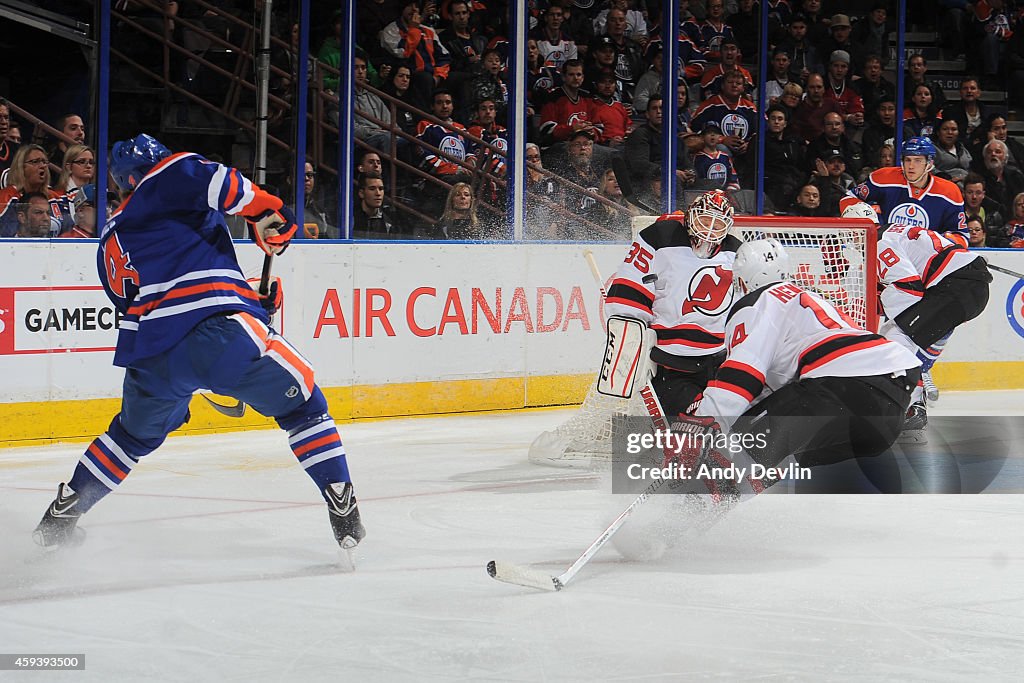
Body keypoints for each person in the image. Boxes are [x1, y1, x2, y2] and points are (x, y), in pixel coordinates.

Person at [32, 134, 365, 552]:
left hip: (152, 355)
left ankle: (61, 516)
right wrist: (269, 213)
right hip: (216, 333)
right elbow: (226, 186)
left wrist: (247, 296)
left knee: (129, 439)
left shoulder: (109, 237)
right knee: (305, 409)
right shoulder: (169, 173)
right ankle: (341, 502)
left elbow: (154, 295)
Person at [690, 238, 920, 477]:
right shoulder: (808, 298)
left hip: (842, 386)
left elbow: (741, 376)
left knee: (742, 442)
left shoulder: (756, 302)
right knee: (777, 454)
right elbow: (768, 395)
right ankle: (719, 499)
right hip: (891, 406)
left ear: (745, 278)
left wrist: (702, 422)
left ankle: (691, 508)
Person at [843, 201, 991, 442]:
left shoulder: (879, 242)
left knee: (894, 339)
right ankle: (914, 401)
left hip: (956, 287)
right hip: (964, 286)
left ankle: (904, 405)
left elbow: (909, 288)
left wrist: (881, 308)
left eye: (849, 232)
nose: (849, 239)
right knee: (905, 335)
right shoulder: (892, 233)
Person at [603, 190, 740, 417]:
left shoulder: (736, 252)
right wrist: (635, 338)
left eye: (718, 224)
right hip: (671, 360)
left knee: (727, 421)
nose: (709, 228)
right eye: (705, 219)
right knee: (698, 421)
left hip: (717, 361)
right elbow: (629, 289)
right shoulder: (660, 236)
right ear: (691, 216)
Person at [842, 137, 968, 246]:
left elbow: (961, 237)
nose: (911, 166)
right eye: (908, 160)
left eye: (917, 160)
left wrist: (937, 241)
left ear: (929, 163)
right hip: (884, 252)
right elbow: (848, 199)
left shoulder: (950, 192)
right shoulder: (883, 178)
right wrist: (867, 219)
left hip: (925, 260)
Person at [353, 171, 401, 239]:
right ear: (361, 193)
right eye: (372, 189)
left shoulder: (390, 223)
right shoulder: (350, 219)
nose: (378, 193)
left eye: (381, 189)